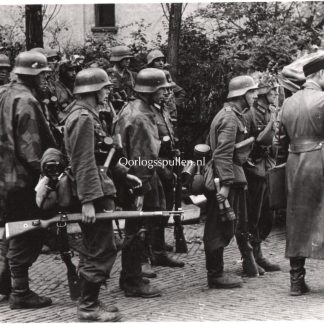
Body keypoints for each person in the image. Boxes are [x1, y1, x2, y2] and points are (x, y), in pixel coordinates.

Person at [64, 67, 142, 321]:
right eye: (105, 88)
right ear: (94, 90)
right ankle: (87, 307)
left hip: (98, 188)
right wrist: (88, 201)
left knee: (99, 245)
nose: (109, 91)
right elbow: (83, 161)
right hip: (92, 194)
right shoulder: (83, 118)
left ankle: (92, 300)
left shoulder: (90, 115)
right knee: (101, 248)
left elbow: (100, 156)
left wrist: (121, 173)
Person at [117, 68, 185, 284]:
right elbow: (141, 156)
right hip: (140, 177)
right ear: (150, 90)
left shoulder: (143, 108)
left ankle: (136, 268)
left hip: (146, 173)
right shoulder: (140, 115)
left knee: (148, 221)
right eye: (162, 89)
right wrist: (142, 188)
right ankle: (132, 274)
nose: (166, 93)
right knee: (137, 226)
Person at [0, 51, 56, 309]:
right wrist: (50, 175)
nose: (47, 77)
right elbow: (32, 152)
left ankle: (4, 285)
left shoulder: (3, 93)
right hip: (21, 182)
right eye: (44, 73)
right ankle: (20, 292)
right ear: (33, 73)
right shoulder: (26, 101)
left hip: (3, 180)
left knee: (6, 233)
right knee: (27, 232)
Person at [274, 54, 324, 296]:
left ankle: (296, 281)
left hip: (295, 164)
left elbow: (280, 143)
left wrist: (284, 165)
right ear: (320, 74)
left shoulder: (288, 103)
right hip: (320, 162)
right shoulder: (323, 100)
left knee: (296, 220)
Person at [204, 75, 258, 288]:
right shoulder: (229, 118)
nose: (255, 95)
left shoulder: (232, 115)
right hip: (225, 180)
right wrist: (225, 186)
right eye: (252, 92)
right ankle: (215, 275)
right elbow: (222, 154)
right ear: (242, 94)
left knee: (224, 225)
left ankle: (216, 272)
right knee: (219, 228)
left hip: (228, 177)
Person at [243, 74, 281, 275]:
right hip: (254, 168)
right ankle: (251, 256)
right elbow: (253, 141)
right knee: (253, 214)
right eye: (272, 91)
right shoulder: (252, 112)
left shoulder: (270, 110)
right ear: (264, 93)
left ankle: (257, 252)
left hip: (267, 166)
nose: (276, 94)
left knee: (268, 214)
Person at [146, 49, 186, 134]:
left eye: (162, 60)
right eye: (157, 61)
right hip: (153, 113)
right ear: (151, 63)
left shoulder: (166, 75)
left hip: (169, 113)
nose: (161, 63)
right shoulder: (146, 77)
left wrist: (174, 104)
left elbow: (181, 92)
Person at [107, 45, 137, 113]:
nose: (128, 61)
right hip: (112, 111)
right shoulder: (107, 75)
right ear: (117, 59)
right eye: (125, 59)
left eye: (129, 58)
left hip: (129, 111)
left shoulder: (133, 75)